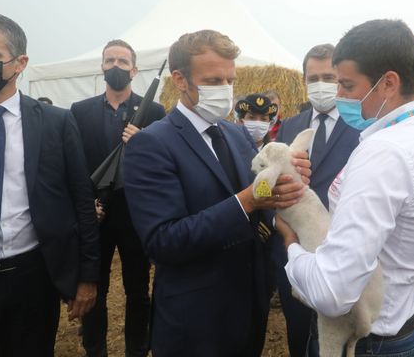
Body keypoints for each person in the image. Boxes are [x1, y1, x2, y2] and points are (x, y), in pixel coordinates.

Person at [276, 19, 414, 356]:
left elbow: (333, 292)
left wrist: (291, 245)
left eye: (346, 85)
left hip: (367, 336)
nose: (338, 96)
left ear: (388, 82)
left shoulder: (383, 153)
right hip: (407, 312)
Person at [122, 29, 311, 357]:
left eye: (229, 80)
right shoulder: (151, 144)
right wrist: (248, 200)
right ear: (180, 80)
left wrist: (285, 181)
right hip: (195, 319)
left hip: (249, 305)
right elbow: (164, 240)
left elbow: (260, 207)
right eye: (212, 82)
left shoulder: (235, 134)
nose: (224, 90)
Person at [0, 14, 100, 356]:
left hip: (33, 276)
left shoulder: (55, 123)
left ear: (20, 63)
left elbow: (81, 199)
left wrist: (86, 277)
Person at [70, 39, 166, 357]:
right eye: (109, 60)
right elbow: (77, 165)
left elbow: (163, 164)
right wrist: (86, 208)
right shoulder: (79, 112)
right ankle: (94, 349)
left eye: (123, 62)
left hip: (135, 214)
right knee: (93, 288)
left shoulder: (154, 111)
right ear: (101, 66)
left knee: (138, 290)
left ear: (135, 70)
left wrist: (145, 144)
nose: (115, 66)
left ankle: (137, 349)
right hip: (95, 214)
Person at [273, 43, 361, 356]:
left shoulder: (361, 124)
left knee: (338, 338)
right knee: (299, 333)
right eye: (314, 78)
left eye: (329, 76)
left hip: (341, 251)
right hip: (293, 246)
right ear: (304, 81)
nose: (321, 84)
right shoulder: (290, 126)